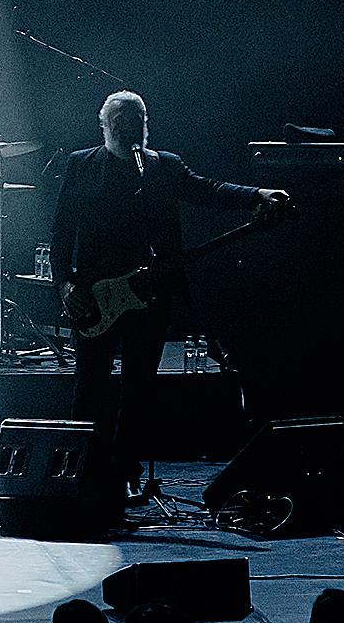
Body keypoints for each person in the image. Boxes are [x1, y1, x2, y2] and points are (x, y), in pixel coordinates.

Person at [49, 91, 287, 526]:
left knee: (138, 388)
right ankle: (81, 473)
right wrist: (65, 284)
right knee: (90, 388)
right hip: (96, 295)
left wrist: (257, 193)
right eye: (121, 123)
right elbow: (61, 231)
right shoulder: (82, 165)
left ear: (145, 125)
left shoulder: (163, 167)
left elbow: (209, 190)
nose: (129, 131)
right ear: (105, 126)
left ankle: (123, 474)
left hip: (148, 294)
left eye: (136, 122)